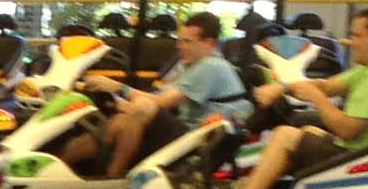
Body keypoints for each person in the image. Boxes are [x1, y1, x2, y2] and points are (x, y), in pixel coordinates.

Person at [237, 4, 368, 189]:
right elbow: (327, 86)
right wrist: (283, 87)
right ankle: (269, 187)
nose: (350, 42)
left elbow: (346, 130)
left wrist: (316, 98)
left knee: (284, 135)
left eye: (357, 36)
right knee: (308, 131)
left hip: (361, 159)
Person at [89, 11, 255, 178]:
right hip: (192, 133)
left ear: (209, 43)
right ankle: (95, 173)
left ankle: (111, 175)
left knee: (142, 108)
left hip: (200, 140)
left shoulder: (211, 66)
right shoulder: (191, 65)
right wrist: (120, 102)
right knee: (125, 117)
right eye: (179, 40)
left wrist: (118, 87)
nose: (179, 46)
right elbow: (162, 92)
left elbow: (161, 102)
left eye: (187, 41)